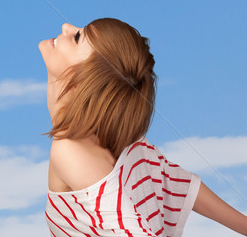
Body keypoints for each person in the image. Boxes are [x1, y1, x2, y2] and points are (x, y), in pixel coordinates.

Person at [39, 18, 247, 236]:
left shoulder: (70, 150)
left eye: (77, 37)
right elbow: (176, 183)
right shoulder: (118, 136)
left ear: (82, 82)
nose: (66, 27)